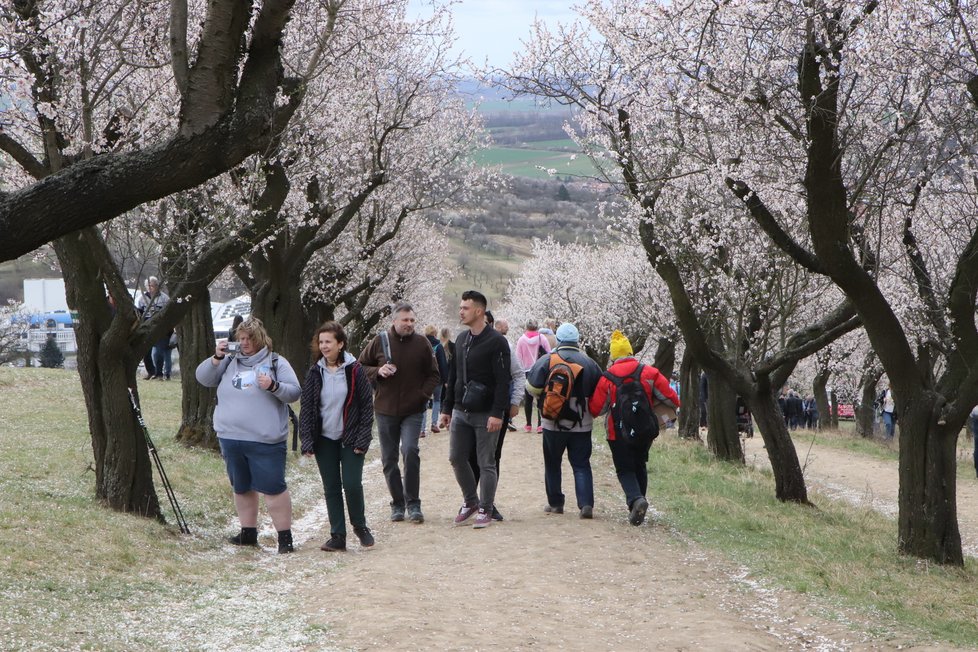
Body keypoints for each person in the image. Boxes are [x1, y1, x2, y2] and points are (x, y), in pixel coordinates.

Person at [195, 317, 301, 553]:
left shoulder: (276, 361)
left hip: (265, 439)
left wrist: (274, 386)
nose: (244, 343)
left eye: (249, 339)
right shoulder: (229, 361)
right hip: (231, 437)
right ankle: (248, 533)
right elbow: (203, 378)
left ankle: (285, 538)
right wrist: (217, 357)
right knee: (241, 487)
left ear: (260, 338)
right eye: (240, 338)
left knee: (273, 488)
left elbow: (294, 392)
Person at [359, 302, 440, 524]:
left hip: (413, 410)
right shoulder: (379, 341)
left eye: (412, 320)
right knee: (389, 458)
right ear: (394, 320)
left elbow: (434, 375)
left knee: (411, 450)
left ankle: (413, 503)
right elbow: (359, 366)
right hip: (385, 410)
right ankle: (397, 503)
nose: (409, 324)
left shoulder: (422, 343)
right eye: (405, 320)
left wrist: (422, 395)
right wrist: (378, 371)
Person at [589, 330, 679, 526]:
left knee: (624, 469)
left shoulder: (607, 378)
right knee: (639, 465)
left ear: (613, 356)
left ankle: (636, 500)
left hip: (617, 431)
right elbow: (672, 398)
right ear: (631, 351)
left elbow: (597, 408)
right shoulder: (649, 372)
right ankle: (640, 502)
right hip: (644, 430)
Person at [438, 290, 511, 529]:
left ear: (479, 311)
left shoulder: (497, 341)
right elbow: (454, 376)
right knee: (456, 457)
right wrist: (446, 408)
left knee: (486, 462)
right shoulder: (460, 340)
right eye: (460, 307)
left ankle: (486, 508)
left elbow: (503, 381)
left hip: (486, 411)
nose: (460, 311)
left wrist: (497, 413)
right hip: (461, 410)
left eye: (465, 308)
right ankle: (471, 501)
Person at [299, 321, 375, 552]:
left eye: (328, 342)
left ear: (340, 344)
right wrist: (307, 440)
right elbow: (307, 408)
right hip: (324, 439)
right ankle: (337, 535)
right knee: (331, 487)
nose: (323, 346)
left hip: (350, 438)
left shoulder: (355, 370)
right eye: (320, 342)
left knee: (351, 484)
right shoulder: (315, 371)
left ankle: (360, 526)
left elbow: (366, 407)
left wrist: (363, 440)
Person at [525, 322, 602, 519]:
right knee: (581, 464)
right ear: (577, 340)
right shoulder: (589, 362)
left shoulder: (547, 360)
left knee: (552, 462)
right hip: (582, 423)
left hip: (552, 421)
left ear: (558, 340)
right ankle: (585, 504)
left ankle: (556, 503)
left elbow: (531, 387)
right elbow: (600, 391)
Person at [468, 311, 524, 521]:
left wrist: (514, 402)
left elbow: (518, 375)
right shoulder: (466, 344)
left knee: (492, 457)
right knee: (468, 457)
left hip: (496, 410)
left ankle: (487, 503)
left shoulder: (504, 346)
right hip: (469, 411)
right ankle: (471, 500)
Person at [515, 319, 551, 433]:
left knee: (528, 399)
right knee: (541, 397)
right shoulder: (542, 338)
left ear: (526, 327)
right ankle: (540, 425)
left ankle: (528, 425)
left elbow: (518, 357)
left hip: (526, 371)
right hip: (540, 370)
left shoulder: (521, 340)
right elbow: (549, 354)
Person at [137, 277, 170, 380]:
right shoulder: (141, 298)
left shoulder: (164, 298)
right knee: (145, 352)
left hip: (160, 328)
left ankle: (159, 373)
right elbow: (139, 314)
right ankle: (151, 371)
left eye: (152, 286)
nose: (150, 288)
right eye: (148, 286)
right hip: (146, 328)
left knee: (158, 352)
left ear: (157, 286)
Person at [420, 324, 449, 437]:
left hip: (424, 379)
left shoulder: (421, 344)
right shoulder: (439, 345)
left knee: (424, 402)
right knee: (437, 400)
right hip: (437, 378)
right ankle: (434, 424)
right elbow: (442, 364)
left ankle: (422, 429)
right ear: (435, 333)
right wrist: (445, 379)